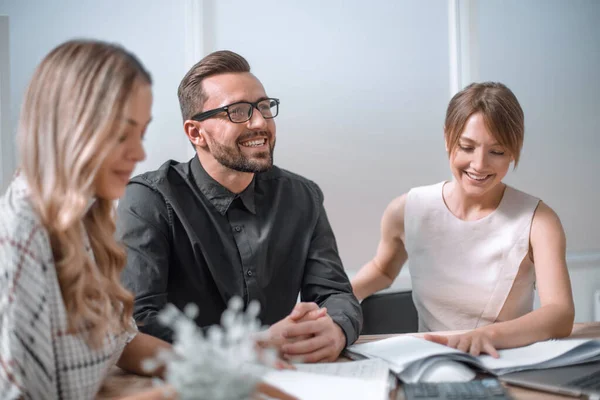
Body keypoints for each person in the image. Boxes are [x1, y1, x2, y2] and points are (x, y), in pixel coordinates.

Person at [0, 40, 293, 400]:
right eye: (122, 134)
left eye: (140, 133)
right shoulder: (24, 230)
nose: (139, 153)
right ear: (68, 128)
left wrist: (220, 374)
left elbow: (124, 341)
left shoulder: (87, 218)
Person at [116, 50, 362, 363]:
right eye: (238, 111)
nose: (260, 122)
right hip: (190, 384)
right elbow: (138, 323)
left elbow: (335, 293)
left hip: (290, 377)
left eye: (263, 107)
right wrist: (253, 343)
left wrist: (338, 328)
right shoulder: (147, 199)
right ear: (196, 132)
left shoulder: (302, 196)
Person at [351, 82, 574, 357]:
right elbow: (383, 270)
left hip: (504, 361)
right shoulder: (407, 209)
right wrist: (334, 299)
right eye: (467, 147)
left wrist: (487, 336)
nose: (479, 165)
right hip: (430, 362)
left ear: (514, 151)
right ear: (448, 139)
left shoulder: (539, 221)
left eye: (497, 151)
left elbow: (560, 314)